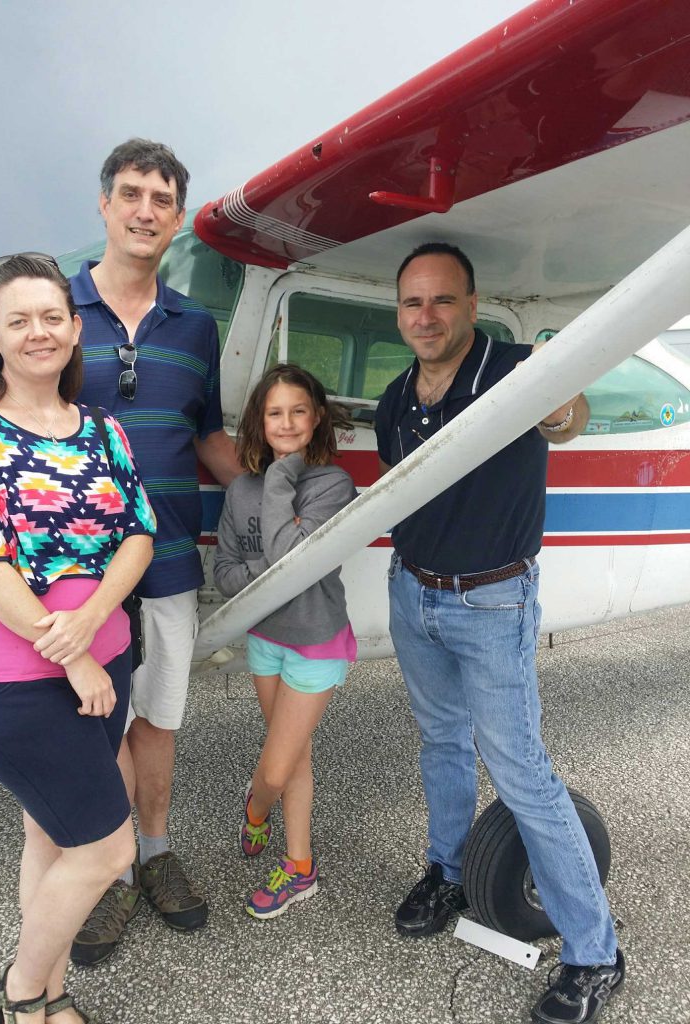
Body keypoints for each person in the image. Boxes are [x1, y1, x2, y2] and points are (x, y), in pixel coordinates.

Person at [375, 243, 624, 1024]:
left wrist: (558, 400)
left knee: (521, 774)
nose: (426, 317)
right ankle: (447, 871)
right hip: (413, 595)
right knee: (441, 743)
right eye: (413, 303)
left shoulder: (520, 369)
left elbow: (568, 415)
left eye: (442, 301)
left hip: (492, 604)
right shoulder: (393, 398)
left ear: (472, 306)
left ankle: (595, 952)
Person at [0, 254, 156, 1024]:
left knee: (52, 837)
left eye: (51, 317)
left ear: (74, 326)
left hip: (106, 662)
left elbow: (139, 535)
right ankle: (22, 994)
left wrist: (95, 622)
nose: (38, 333)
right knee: (108, 850)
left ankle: (53, 993)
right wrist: (80, 652)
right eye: (18, 320)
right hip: (15, 679)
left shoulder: (104, 429)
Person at [69, 139, 241, 964]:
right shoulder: (52, 311)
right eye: (130, 193)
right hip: (74, 576)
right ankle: (108, 873)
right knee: (91, 725)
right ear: (104, 205)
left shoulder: (197, 326)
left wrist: (267, 502)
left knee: (157, 720)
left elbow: (206, 436)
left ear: (177, 218)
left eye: (161, 199)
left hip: (169, 560)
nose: (144, 210)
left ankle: (155, 852)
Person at [213, 364, 357, 918]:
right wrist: (260, 575)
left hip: (316, 641)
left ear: (316, 417)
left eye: (299, 411)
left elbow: (290, 561)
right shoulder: (241, 489)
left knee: (273, 770)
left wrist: (282, 475)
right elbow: (223, 566)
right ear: (259, 420)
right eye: (275, 413)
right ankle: (301, 867)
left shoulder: (331, 485)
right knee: (292, 754)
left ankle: (255, 811)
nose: (288, 422)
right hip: (266, 638)